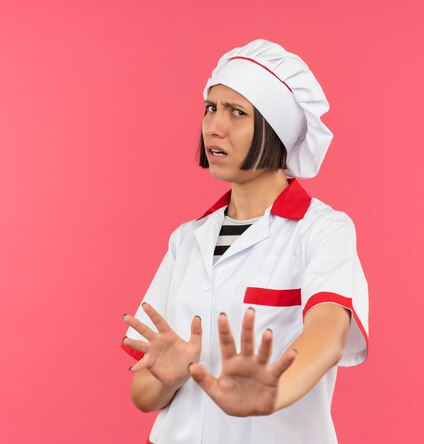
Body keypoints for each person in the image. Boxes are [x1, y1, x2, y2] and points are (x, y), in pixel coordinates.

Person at [121, 39, 369, 444]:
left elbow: (329, 329)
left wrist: (273, 392)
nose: (214, 126)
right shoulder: (187, 240)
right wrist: (168, 376)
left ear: (276, 130)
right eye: (210, 108)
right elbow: (143, 394)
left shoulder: (322, 229)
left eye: (237, 112)